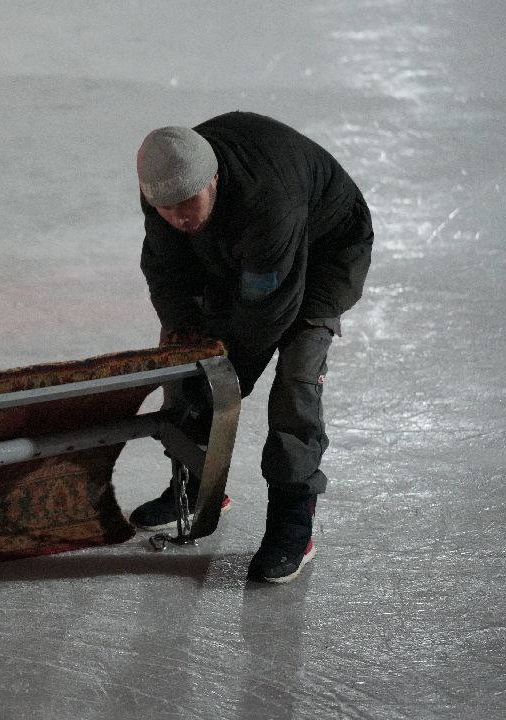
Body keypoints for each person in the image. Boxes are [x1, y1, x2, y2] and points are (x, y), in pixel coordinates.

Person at [131, 111, 373, 583]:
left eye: (189, 202)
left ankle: (292, 520)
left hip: (327, 249)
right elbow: (166, 274)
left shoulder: (270, 200)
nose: (179, 215)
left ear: (214, 177)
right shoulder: (162, 185)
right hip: (235, 243)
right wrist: (187, 347)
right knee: (188, 363)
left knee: (295, 382)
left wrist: (228, 381)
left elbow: (268, 313)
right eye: (167, 207)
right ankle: (199, 484)